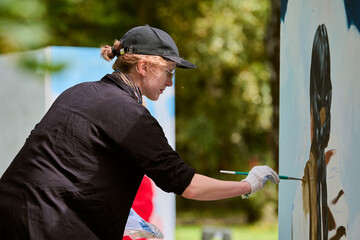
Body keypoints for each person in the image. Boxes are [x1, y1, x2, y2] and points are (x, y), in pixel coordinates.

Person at [0, 25, 279, 240]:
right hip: (51, 227)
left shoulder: (79, 92)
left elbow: (67, 167)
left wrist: (122, 214)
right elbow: (185, 184)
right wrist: (248, 186)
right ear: (143, 67)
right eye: (169, 71)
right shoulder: (130, 115)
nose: (171, 82)